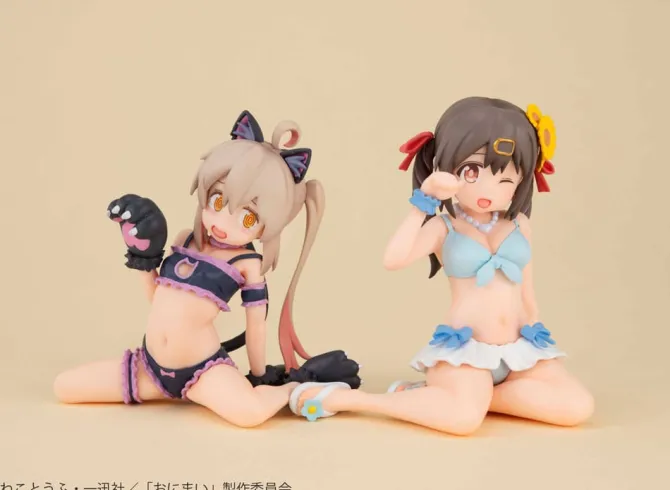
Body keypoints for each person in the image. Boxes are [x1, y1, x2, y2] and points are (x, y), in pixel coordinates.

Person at [287, 97, 594, 435]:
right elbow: (393, 259)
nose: (487, 189)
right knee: (464, 420)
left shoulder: (520, 224)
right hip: (467, 351)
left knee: (577, 406)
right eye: (472, 172)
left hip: (520, 349)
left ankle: (443, 397)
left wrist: (536, 331)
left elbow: (527, 293)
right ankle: (354, 400)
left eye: (505, 179)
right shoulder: (444, 226)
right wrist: (424, 202)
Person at [54, 110, 360, 428]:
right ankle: (170, 392)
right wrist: (143, 258)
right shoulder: (186, 239)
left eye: (248, 218)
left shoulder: (248, 264)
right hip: (148, 366)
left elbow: (256, 328)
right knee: (65, 387)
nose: (223, 223)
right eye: (217, 200)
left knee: (250, 414)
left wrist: (258, 377)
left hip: (201, 372)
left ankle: (294, 387)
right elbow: (160, 301)